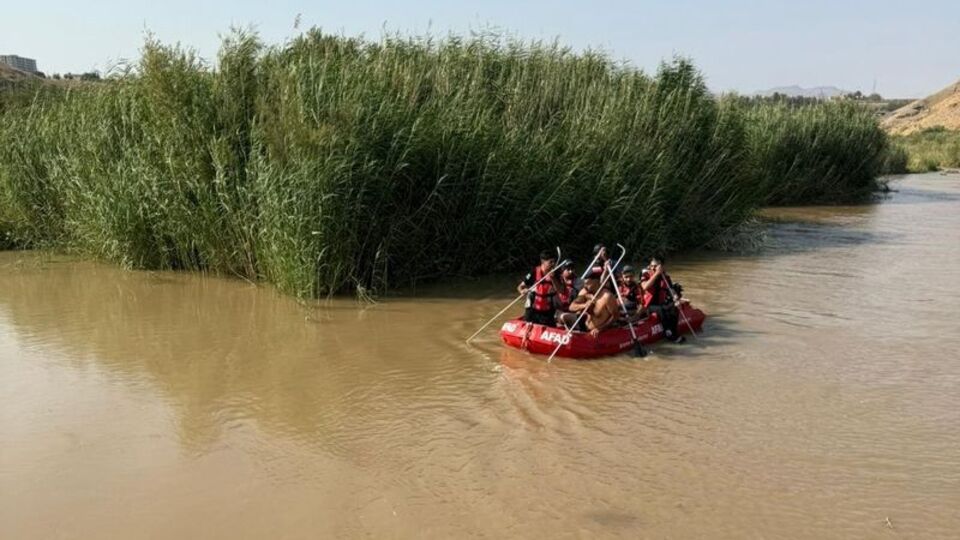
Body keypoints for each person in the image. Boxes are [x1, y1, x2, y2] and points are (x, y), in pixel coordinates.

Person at [559, 271, 620, 337]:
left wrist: (600, 329)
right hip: (585, 324)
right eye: (584, 283)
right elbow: (571, 307)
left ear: (596, 282)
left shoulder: (607, 296)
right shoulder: (585, 292)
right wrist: (584, 305)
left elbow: (615, 316)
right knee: (562, 317)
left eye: (587, 283)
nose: (585, 286)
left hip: (597, 331)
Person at [640, 256, 686, 343]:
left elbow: (671, 289)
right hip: (648, 305)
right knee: (660, 309)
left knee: (674, 307)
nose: (653, 268)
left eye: (656, 266)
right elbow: (645, 286)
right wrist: (656, 273)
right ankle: (668, 332)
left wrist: (676, 298)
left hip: (660, 303)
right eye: (652, 266)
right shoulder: (645, 275)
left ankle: (674, 331)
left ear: (661, 266)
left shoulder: (665, 277)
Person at [517, 250, 563, 327]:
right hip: (533, 309)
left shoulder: (556, 273)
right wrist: (522, 291)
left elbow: (561, 291)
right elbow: (520, 287)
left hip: (548, 310)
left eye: (554, 262)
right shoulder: (534, 272)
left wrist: (553, 278)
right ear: (543, 262)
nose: (553, 264)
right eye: (550, 262)